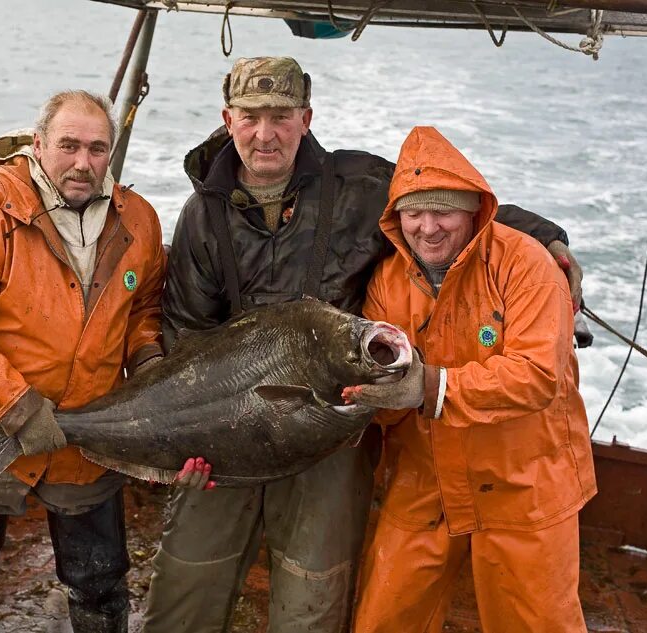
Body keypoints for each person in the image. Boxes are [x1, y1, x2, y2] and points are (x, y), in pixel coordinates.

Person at [143, 57, 583, 633]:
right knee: (185, 586)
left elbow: (443, 197)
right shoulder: (201, 215)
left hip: (333, 425)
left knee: (313, 596)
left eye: (281, 116)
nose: (265, 133)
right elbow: (186, 336)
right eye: (251, 117)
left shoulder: (361, 188)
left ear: (306, 118)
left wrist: (547, 236)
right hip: (229, 428)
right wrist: (185, 438)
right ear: (229, 119)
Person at [0, 90, 166, 633]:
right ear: (38, 143)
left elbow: (145, 305)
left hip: (90, 434)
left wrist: (148, 362)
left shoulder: (139, 220)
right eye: (69, 145)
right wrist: (17, 407)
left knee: (99, 582)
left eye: (98, 149)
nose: (83, 162)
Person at [347, 126, 596, 633]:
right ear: (396, 219)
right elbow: (386, 397)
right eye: (413, 213)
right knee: (382, 619)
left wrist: (427, 387)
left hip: (525, 484)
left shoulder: (528, 265)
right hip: (426, 479)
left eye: (444, 211)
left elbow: (537, 375)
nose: (428, 227)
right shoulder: (386, 282)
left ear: (474, 212)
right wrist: (371, 398)